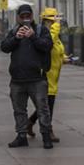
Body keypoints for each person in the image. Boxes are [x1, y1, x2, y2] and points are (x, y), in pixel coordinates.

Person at [0, 4, 54, 149]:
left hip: (37, 78)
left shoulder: (41, 30)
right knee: (19, 110)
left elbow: (47, 45)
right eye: (22, 17)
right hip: (17, 79)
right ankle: (21, 135)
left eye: (27, 16)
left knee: (43, 109)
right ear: (18, 17)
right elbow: (4, 47)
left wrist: (33, 37)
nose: (25, 20)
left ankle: (46, 136)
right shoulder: (14, 31)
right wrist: (16, 38)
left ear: (32, 16)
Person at [27, 8, 67, 143]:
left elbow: (57, 49)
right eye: (54, 20)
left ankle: (29, 123)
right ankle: (48, 131)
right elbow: (50, 42)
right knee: (47, 106)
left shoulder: (53, 33)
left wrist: (64, 58)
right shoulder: (47, 33)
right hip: (46, 74)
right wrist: (56, 24)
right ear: (48, 21)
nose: (56, 22)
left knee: (45, 106)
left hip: (54, 75)